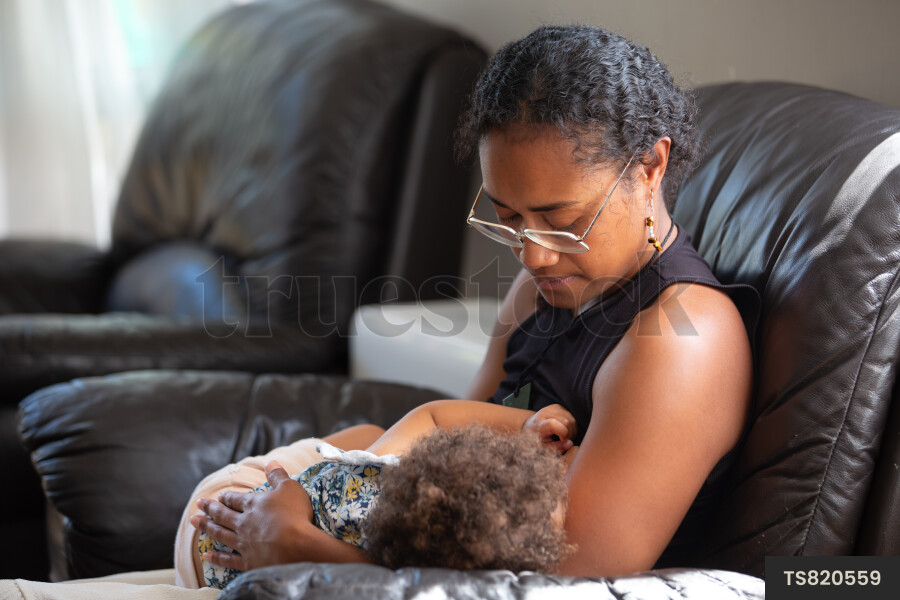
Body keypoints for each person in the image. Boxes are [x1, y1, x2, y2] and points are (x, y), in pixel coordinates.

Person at [192, 24, 758, 578]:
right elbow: (446, 459)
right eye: (508, 218)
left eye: (563, 221)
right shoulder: (540, 292)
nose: (531, 257)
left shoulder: (684, 338)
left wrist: (303, 549)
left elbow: (572, 572)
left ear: (650, 167)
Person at [178, 400, 578, 588]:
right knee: (370, 437)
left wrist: (526, 423)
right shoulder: (402, 573)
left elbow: (432, 416)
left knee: (371, 437)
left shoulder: (384, 471)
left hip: (224, 503)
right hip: (209, 558)